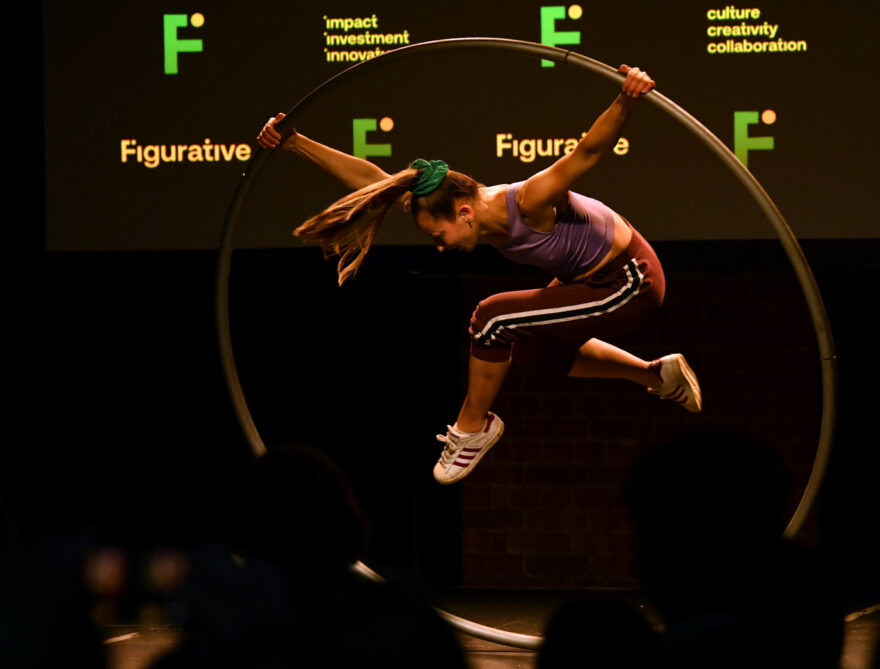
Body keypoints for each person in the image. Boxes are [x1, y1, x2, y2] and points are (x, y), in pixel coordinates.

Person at [257, 65, 701, 485]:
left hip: (630, 282)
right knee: (522, 350)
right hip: (590, 283)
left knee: (492, 320)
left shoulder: (529, 200)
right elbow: (374, 181)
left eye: (441, 235)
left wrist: (627, 97)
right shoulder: (453, 208)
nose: (440, 245)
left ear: (465, 212)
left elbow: (587, 151)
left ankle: (473, 428)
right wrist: (294, 141)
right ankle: (654, 375)